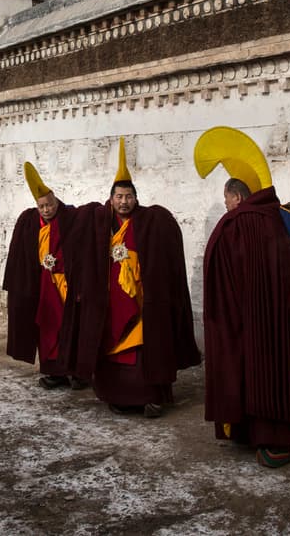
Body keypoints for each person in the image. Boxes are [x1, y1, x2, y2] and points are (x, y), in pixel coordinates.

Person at [194, 126, 290, 467]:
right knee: (274, 373)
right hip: (279, 318)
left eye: (227, 199)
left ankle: (262, 434)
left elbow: (225, 278)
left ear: (238, 197)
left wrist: (224, 318)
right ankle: (276, 434)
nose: (226, 205)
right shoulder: (274, 220)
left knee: (249, 371)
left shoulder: (237, 223)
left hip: (244, 317)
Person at [75, 140, 200, 417]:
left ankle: (149, 397)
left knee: (146, 349)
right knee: (113, 351)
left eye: (128, 196)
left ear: (136, 197)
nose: (124, 201)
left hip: (141, 300)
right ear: (111, 199)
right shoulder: (101, 223)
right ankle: (118, 396)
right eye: (119, 196)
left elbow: (162, 253)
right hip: (111, 301)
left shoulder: (149, 221)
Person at [3, 162, 86, 389]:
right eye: (42, 207)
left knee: (71, 327)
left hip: (65, 284)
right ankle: (54, 372)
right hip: (43, 286)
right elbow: (21, 254)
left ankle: (77, 372)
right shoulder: (30, 223)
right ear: (37, 207)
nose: (47, 210)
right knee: (47, 330)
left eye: (50, 205)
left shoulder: (69, 217)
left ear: (56, 201)